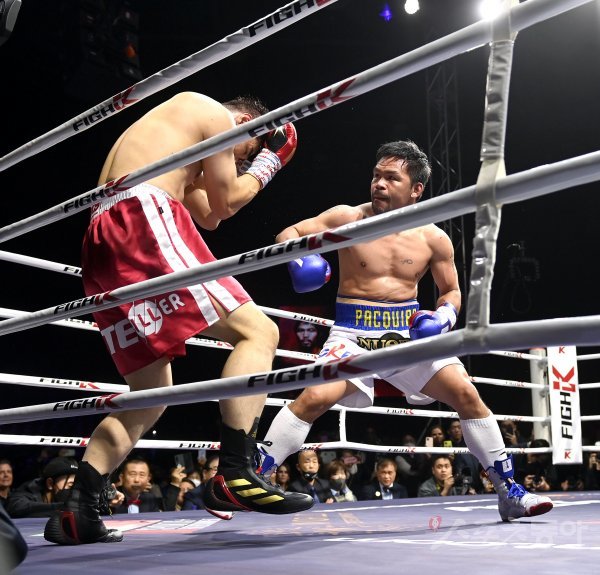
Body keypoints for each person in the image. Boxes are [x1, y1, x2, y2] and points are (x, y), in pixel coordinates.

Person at [44, 92, 313, 546]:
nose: (238, 162)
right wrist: (269, 163)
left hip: (103, 236)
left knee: (151, 396)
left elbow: (208, 215)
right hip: (142, 214)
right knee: (258, 331)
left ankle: (78, 509)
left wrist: (238, 168)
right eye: (243, 153)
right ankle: (236, 471)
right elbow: (227, 202)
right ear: (244, 123)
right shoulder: (211, 111)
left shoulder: (173, 134)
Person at [261, 140, 553, 522]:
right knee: (314, 396)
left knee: (466, 393)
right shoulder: (348, 217)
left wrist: (443, 318)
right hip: (351, 332)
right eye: (376, 175)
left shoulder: (433, 238)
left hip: (405, 333)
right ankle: (254, 476)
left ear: (416, 188)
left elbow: (451, 291)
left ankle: (508, 491)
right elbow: (289, 233)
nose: (378, 184)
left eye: (390, 178)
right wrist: (300, 260)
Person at [7, 457, 78, 518]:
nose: (74, 491)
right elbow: (16, 508)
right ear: (50, 483)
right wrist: (65, 507)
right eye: (70, 485)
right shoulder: (28, 491)